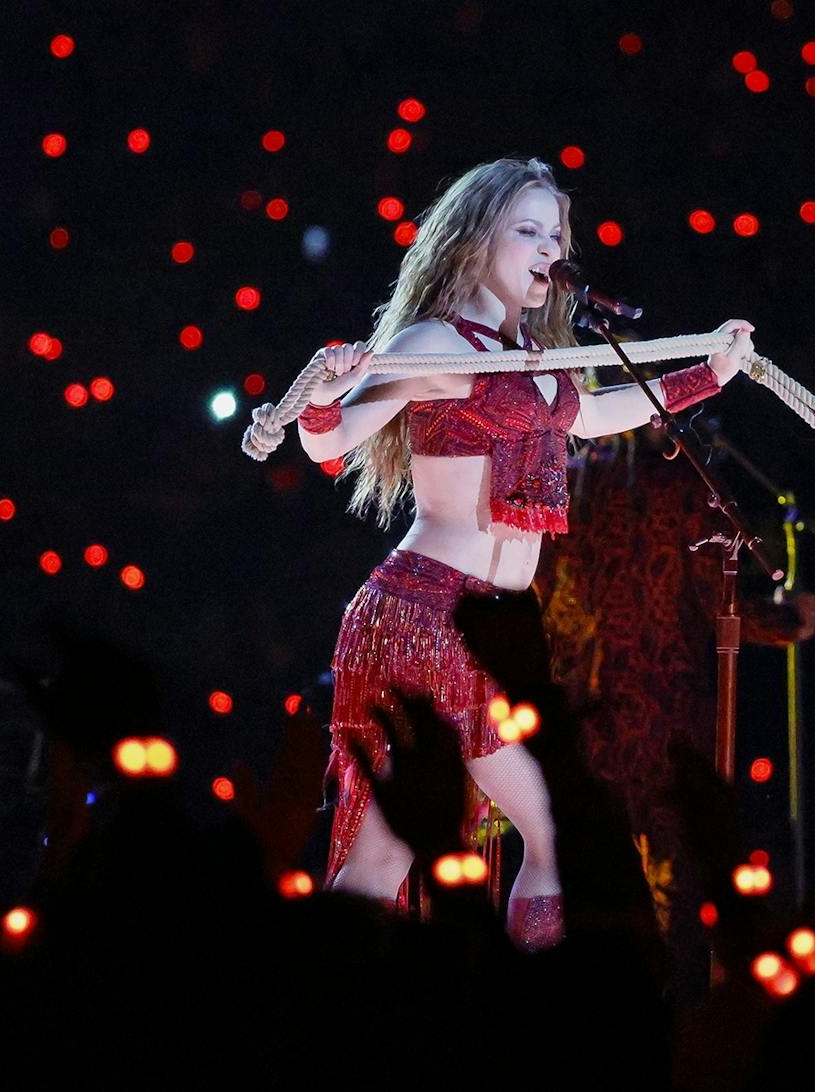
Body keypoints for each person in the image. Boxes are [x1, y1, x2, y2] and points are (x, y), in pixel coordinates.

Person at [244, 156, 758, 950]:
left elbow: (592, 417)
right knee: (546, 832)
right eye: (527, 230)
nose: (549, 248)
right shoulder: (435, 342)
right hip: (425, 615)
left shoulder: (533, 358)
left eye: (555, 233)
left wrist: (710, 374)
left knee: (382, 863)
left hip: (487, 627)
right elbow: (335, 440)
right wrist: (317, 400)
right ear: (475, 239)